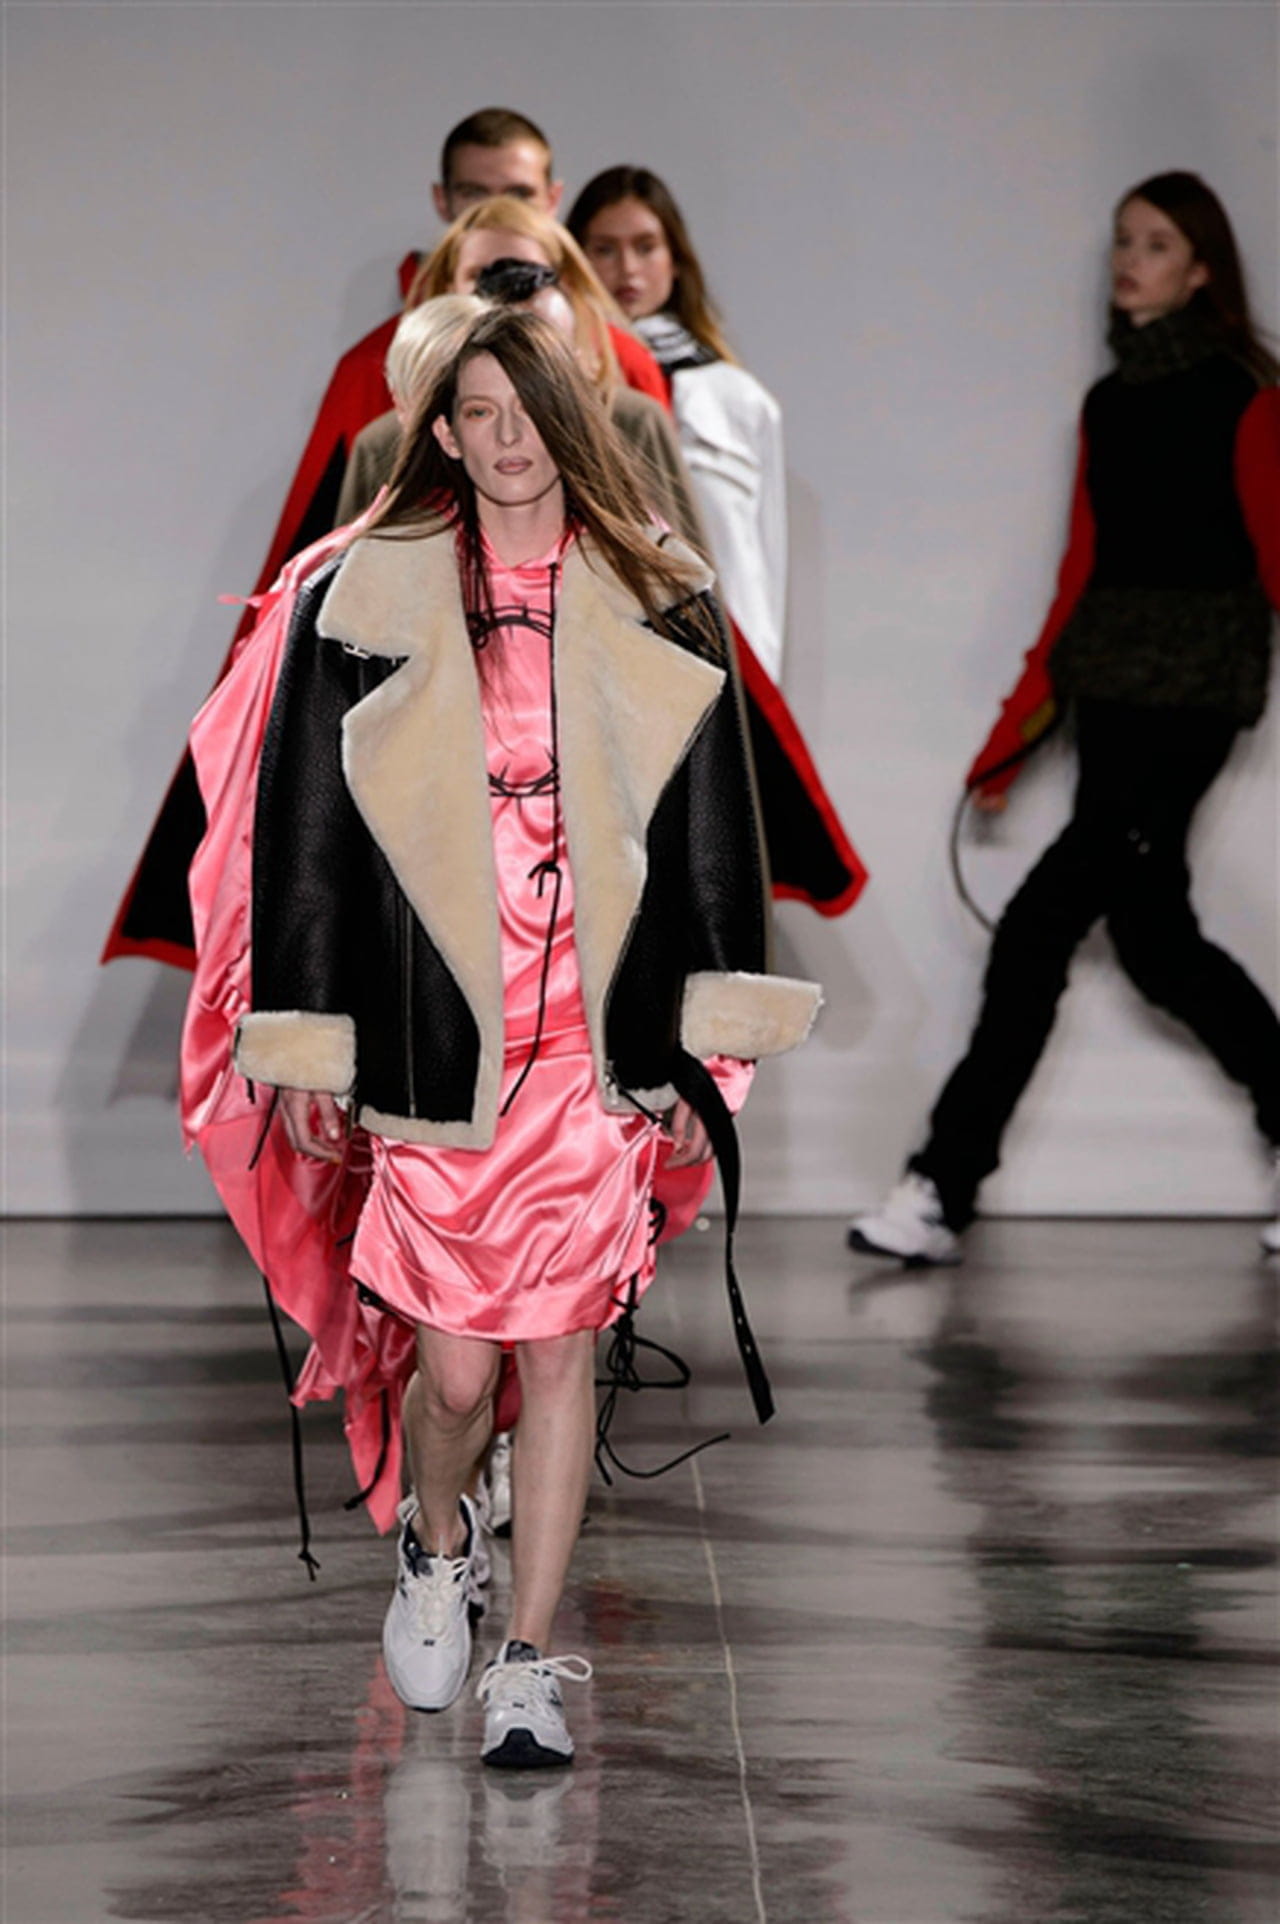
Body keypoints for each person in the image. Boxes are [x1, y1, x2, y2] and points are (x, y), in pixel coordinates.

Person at [214, 308, 821, 1766]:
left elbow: (716, 835)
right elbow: (304, 836)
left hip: (590, 1040)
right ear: (439, 431)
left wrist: (705, 1049)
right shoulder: (362, 598)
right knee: (456, 1375)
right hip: (439, 1035)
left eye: (527, 409)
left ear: (572, 420)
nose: (505, 439)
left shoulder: (660, 594)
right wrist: (309, 1039)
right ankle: (437, 1541)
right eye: (476, 413)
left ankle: (530, 1662)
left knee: (556, 1358)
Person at [102, 107, 664, 969]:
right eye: (476, 201)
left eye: (520, 197)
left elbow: (681, 602)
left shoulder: (624, 385)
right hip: (439, 755)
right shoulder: (379, 389)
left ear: (553, 203)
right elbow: (342, 609)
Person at [848, 172, 1280, 1265]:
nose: (1129, 260)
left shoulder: (1244, 395)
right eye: (1123, 240)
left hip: (1195, 704)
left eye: (1156, 243)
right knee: (1154, 945)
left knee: (1039, 927)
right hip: (1109, 703)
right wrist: (1014, 737)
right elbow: (1076, 579)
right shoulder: (1108, 403)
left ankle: (942, 1183)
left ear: (1202, 269)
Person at [335, 215, 706, 548]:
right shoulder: (388, 443)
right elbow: (347, 581)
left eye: (544, 354)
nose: (510, 433)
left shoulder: (632, 421)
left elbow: (684, 576)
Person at [567, 166, 787, 683]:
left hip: (728, 668)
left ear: (676, 261)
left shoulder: (737, 399)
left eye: (646, 247)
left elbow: (764, 563)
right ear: (575, 260)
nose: (628, 269)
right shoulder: (554, 394)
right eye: (604, 249)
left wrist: (761, 683)